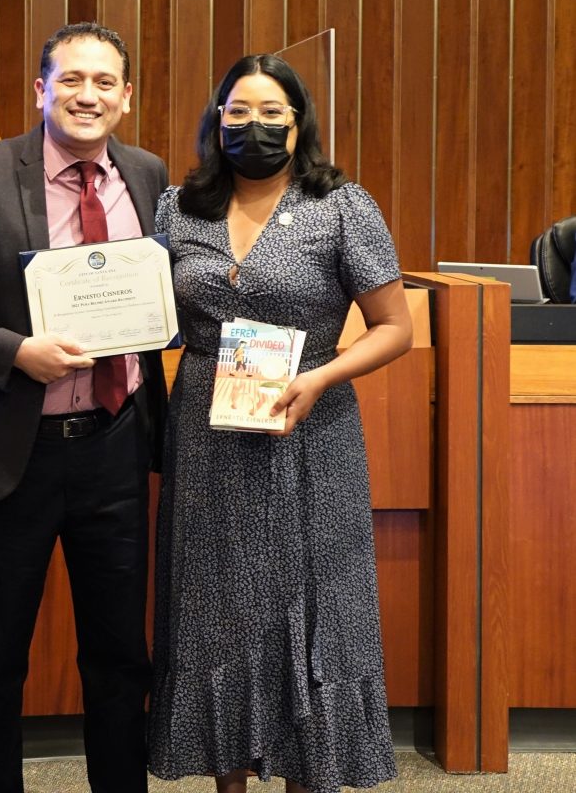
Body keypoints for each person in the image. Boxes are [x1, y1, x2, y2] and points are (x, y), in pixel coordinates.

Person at [0, 22, 168, 793]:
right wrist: (17, 352)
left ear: (126, 96)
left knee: (120, 657)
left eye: (104, 82)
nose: (88, 95)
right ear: (42, 90)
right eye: (71, 79)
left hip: (116, 447)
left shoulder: (147, 177)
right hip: (14, 452)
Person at [148, 54, 413, 793]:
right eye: (238, 111)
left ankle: (311, 774)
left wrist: (319, 377)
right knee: (216, 608)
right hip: (206, 435)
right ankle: (226, 782)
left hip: (312, 429)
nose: (254, 125)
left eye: (272, 113)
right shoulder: (177, 208)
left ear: (299, 126)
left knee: (312, 602)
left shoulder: (340, 205)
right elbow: (155, 319)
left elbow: (394, 328)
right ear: (216, 118)